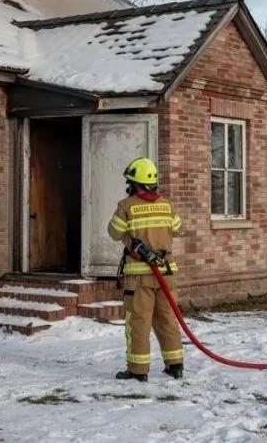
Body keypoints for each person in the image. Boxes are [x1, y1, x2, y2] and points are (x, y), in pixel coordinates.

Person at [107, 156, 184, 382]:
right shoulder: (167, 205)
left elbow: (112, 232)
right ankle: (175, 366)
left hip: (139, 277)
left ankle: (138, 371)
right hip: (166, 273)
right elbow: (177, 229)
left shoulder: (126, 206)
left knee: (139, 322)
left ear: (134, 183)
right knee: (167, 319)